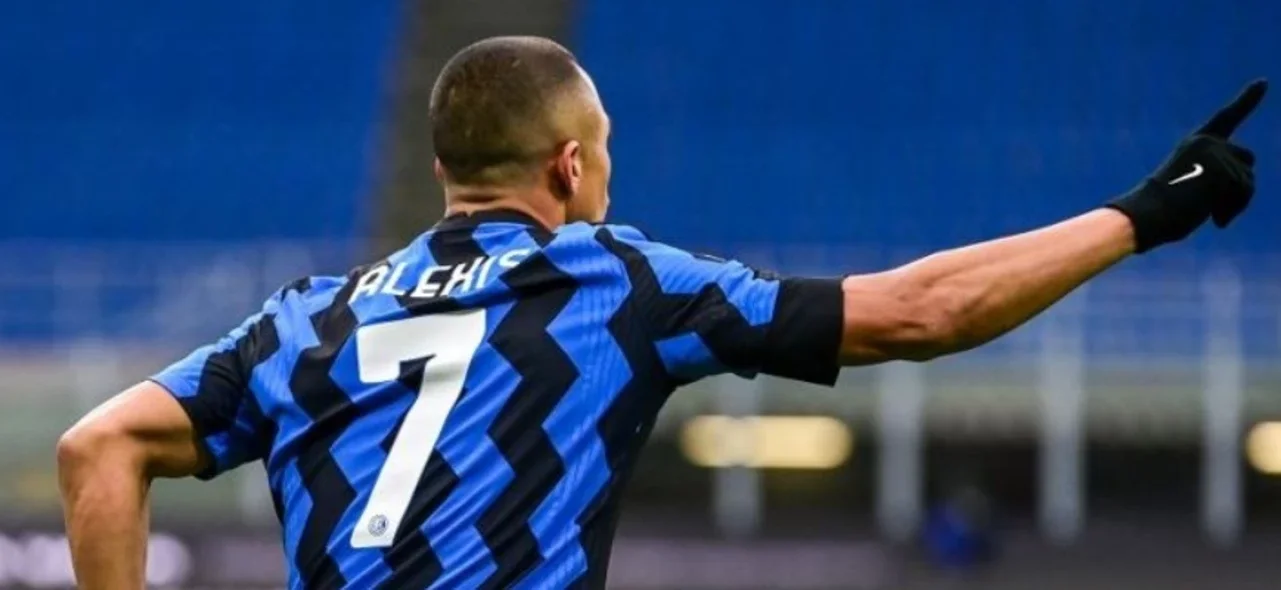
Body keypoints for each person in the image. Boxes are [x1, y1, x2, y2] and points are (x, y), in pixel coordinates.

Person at [56, 35, 1265, 589]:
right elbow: (920, 311)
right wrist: (1146, 211)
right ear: (571, 171)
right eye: (606, 153)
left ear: (443, 171)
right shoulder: (615, 283)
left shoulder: (302, 322)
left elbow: (95, 447)